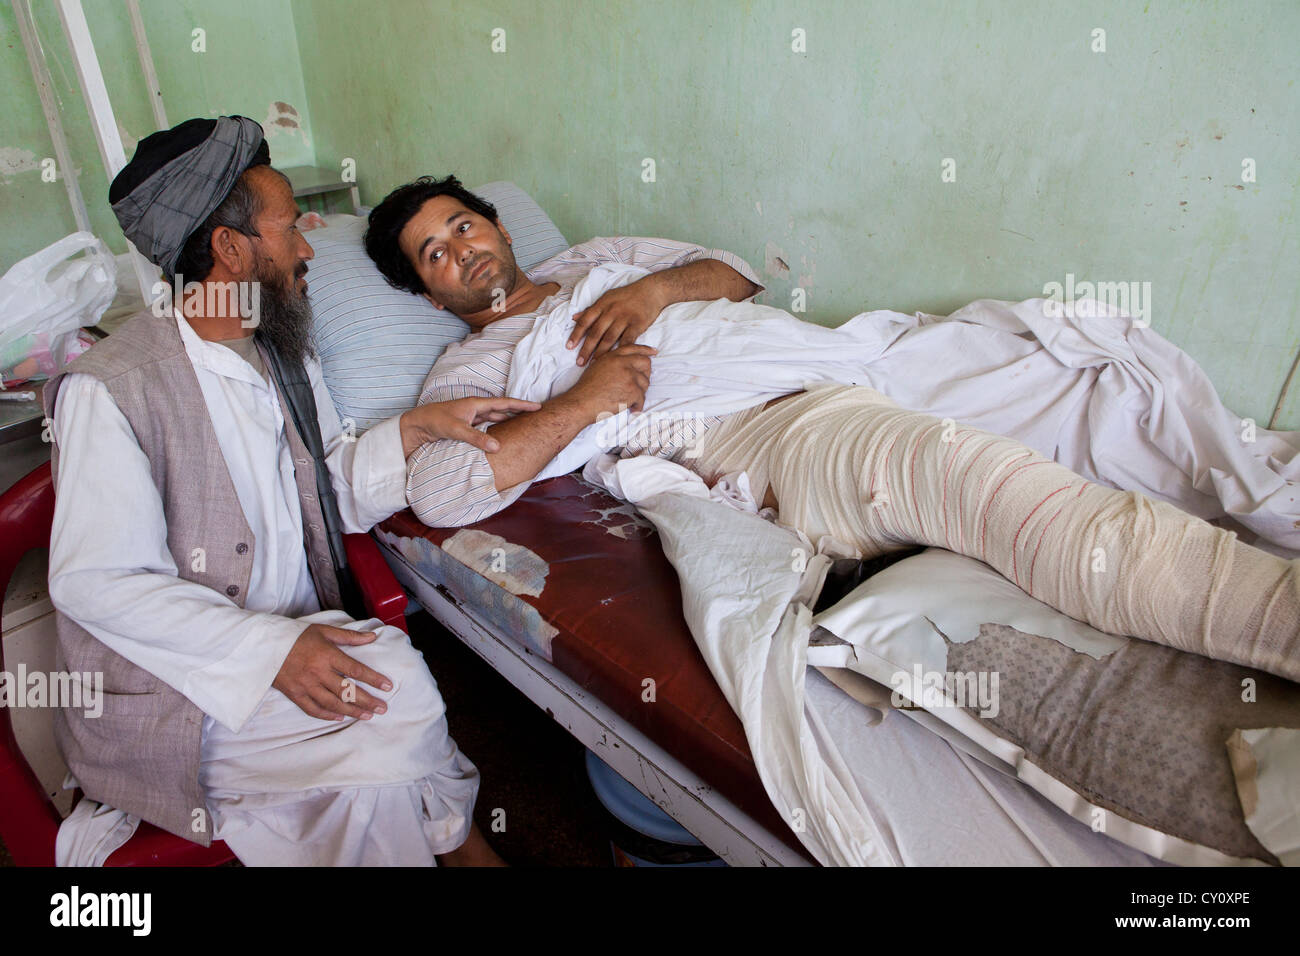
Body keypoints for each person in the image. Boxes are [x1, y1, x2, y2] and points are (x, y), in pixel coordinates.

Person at [364, 175, 1299, 684]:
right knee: (967, 473)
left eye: (463, 224)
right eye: (433, 254)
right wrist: (589, 396)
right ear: (426, 291)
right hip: (767, 430)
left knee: (1077, 381)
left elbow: (731, 274)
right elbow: (441, 493)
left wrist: (654, 288)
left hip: (834, 355)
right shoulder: (472, 372)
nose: (461, 249)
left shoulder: (598, 261)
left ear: (495, 222)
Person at [44, 119, 537, 866]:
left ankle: (457, 848)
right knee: (391, 716)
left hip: (293, 642)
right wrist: (270, 648)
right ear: (230, 248)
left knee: (390, 698)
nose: (308, 249)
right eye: (288, 229)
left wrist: (414, 428)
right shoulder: (113, 390)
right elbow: (97, 584)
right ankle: (463, 848)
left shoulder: (279, 353)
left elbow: (326, 491)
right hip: (187, 693)